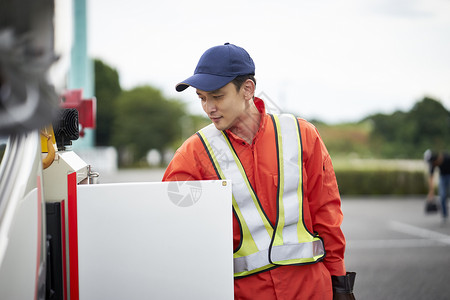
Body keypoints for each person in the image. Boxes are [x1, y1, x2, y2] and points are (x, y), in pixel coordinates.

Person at [163, 43, 355, 300]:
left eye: (217, 96)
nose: (209, 108)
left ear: (247, 89)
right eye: (202, 97)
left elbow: (326, 213)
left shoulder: (301, 135)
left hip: (310, 291)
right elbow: (170, 230)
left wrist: (340, 283)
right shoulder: (193, 155)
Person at [424, 149, 450, 222]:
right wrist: (431, 192)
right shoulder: (433, 163)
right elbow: (431, 177)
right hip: (442, 177)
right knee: (442, 196)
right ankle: (445, 215)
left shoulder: (447, 158)